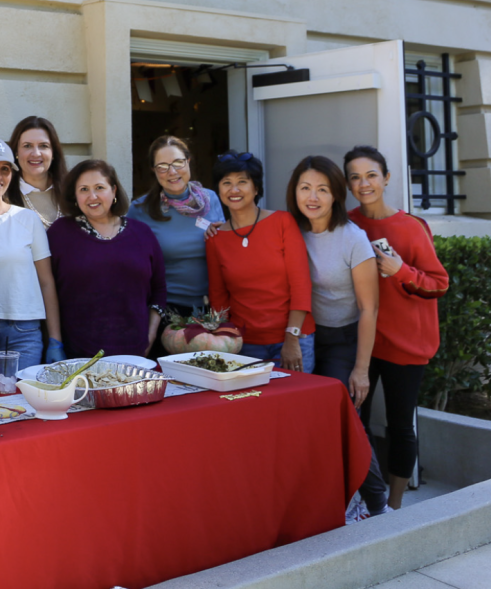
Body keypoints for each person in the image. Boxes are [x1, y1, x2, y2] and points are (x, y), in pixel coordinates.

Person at [346, 145, 449, 511]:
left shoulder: (411, 227)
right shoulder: (347, 223)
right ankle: (366, 498)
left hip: (406, 344)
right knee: (355, 422)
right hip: (362, 342)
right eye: (355, 177)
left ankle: (395, 505)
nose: (364, 183)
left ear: (386, 179)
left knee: (400, 426)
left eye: (371, 175)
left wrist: (400, 271)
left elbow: (439, 282)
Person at [287, 155, 390, 521]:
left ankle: (377, 503)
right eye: (305, 188)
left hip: (345, 339)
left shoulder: (352, 238)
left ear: (336, 195)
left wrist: (361, 369)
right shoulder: (289, 230)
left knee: (343, 414)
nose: (312, 197)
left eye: (322, 189)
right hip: (307, 335)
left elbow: (369, 309)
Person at [206, 151, 314, 373]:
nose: (234, 190)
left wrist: (291, 340)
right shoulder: (215, 238)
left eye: (242, 182)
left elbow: (301, 285)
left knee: (296, 406)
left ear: (256, 188)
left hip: (293, 338)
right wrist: (223, 345)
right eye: (226, 183)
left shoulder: (282, 222)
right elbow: (219, 298)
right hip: (245, 345)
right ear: (219, 190)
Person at [0, 139, 63, 373]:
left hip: (23, 332)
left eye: (4, 169)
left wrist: (55, 339)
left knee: (21, 406)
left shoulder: (28, 219)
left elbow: (46, 283)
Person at [48, 159, 167, 358]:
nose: (92, 196)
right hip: (77, 358)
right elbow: (46, 289)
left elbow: (159, 290)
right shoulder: (60, 234)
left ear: (113, 191)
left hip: (136, 356)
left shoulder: (142, 234)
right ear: (75, 196)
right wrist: (54, 342)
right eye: (84, 189)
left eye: (99, 188)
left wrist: (150, 335)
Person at [128, 135, 224, 360]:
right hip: (164, 315)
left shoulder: (211, 200)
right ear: (154, 170)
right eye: (162, 166)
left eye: (178, 163)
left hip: (210, 313)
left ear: (188, 162)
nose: (172, 172)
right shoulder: (140, 209)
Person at [8, 116, 67, 228]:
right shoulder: (3, 197)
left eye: (43, 146)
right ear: (16, 152)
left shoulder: (72, 192)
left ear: (53, 153)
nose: (36, 153)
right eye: (27, 146)